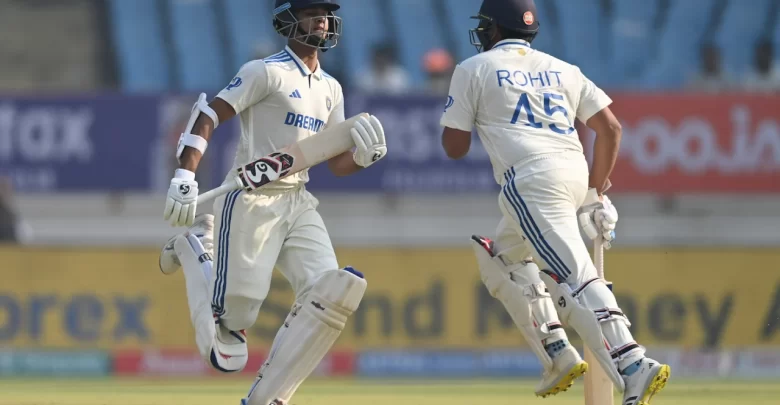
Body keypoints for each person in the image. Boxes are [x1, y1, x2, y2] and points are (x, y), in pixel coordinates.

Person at [439, 0, 670, 403]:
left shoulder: (472, 69)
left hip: (529, 181)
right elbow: (611, 129)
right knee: (501, 258)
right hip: (573, 171)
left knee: (574, 275)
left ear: (491, 29)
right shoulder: (564, 69)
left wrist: (473, 113)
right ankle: (558, 353)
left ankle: (633, 363)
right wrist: (595, 192)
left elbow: (454, 147)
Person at [158, 1, 387, 404]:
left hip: (299, 200)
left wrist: (362, 159)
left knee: (330, 295)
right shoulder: (264, 72)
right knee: (232, 325)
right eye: (311, 12)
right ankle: (197, 248)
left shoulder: (331, 88)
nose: (322, 20)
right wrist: (185, 174)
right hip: (249, 199)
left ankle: (268, 397)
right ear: (287, 20)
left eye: (326, 13)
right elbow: (209, 114)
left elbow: (334, 161)